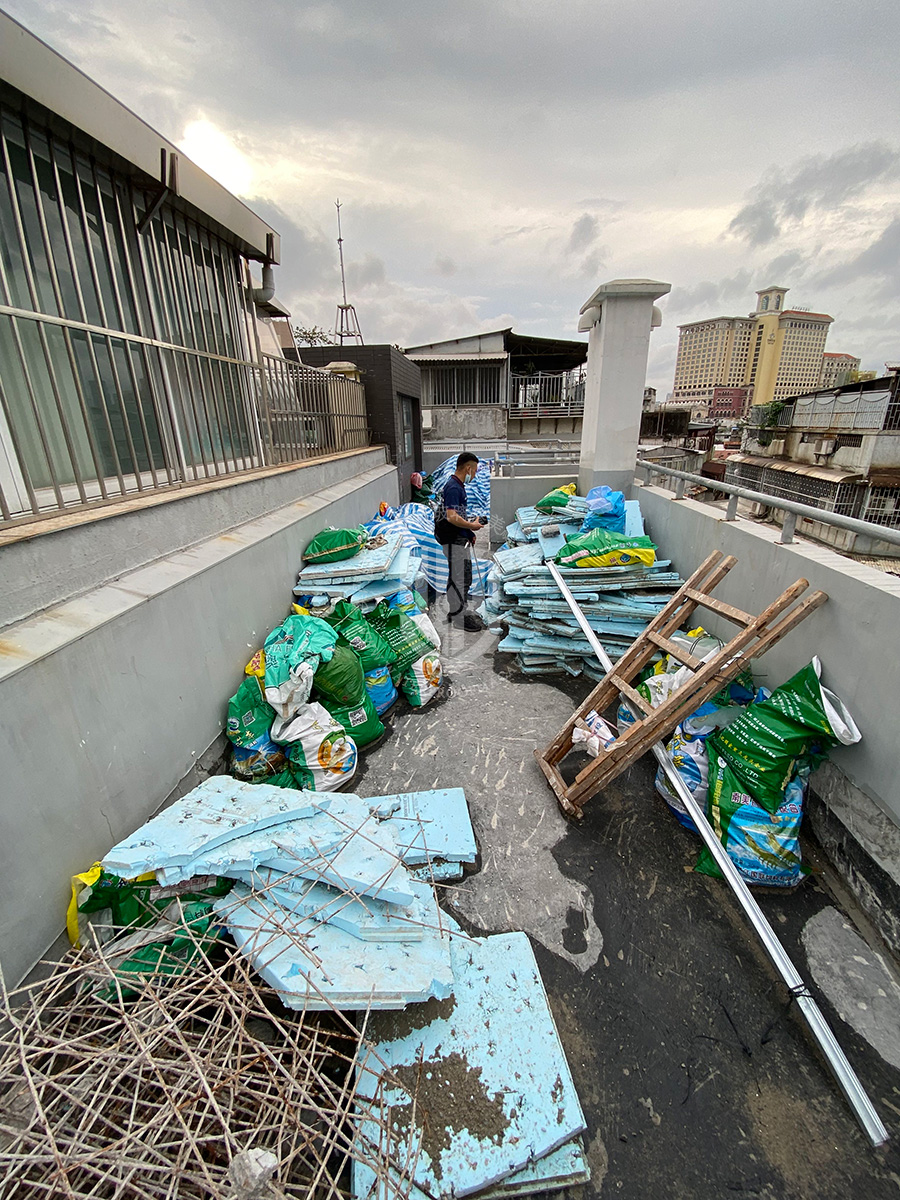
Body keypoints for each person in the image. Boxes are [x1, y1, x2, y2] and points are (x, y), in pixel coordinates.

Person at [435, 452, 487, 632]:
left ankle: (456, 611)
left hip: (457, 537)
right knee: (461, 577)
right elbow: (451, 517)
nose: (474, 475)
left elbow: (457, 515)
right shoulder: (454, 488)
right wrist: (471, 525)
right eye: (474, 471)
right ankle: (459, 616)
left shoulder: (456, 485)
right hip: (453, 541)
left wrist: (468, 531)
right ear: (468, 468)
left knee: (458, 575)